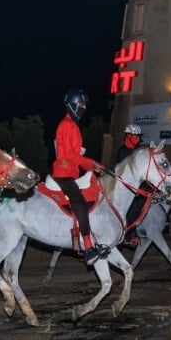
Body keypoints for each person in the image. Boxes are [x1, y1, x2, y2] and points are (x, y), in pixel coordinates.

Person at [51, 88, 107, 267]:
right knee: (80, 202)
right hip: (63, 172)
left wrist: (91, 164)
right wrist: (92, 164)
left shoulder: (73, 125)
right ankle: (89, 248)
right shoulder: (67, 126)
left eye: (84, 106)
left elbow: (75, 156)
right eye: (81, 105)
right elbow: (69, 156)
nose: (83, 108)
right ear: (72, 106)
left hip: (72, 172)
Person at [116, 123, 145, 245]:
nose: (137, 139)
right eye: (134, 136)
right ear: (127, 136)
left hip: (136, 184)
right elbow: (125, 171)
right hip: (125, 185)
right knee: (136, 204)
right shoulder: (122, 151)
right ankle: (128, 234)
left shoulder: (137, 152)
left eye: (138, 136)